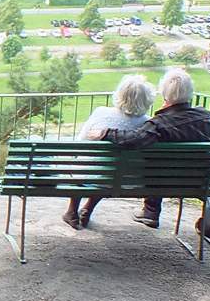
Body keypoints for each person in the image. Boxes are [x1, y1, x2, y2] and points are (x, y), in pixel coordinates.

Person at [102, 68, 210, 228]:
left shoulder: (159, 124)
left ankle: (151, 211)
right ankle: (150, 211)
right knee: (166, 164)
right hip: (198, 182)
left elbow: (132, 140)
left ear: (164, 93)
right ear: (190, 92)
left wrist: (105, 133)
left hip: (161, 182)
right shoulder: (205, 117)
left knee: (159, 164)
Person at [63, 74, 154, 229]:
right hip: (127, 181)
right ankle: (88, 209)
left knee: (89, 166)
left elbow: (80, 142)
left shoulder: (101, 113)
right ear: (147, 99)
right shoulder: (149, 123)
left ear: (119, 94)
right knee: (111, 170)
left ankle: (72, 211)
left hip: (92, 176)